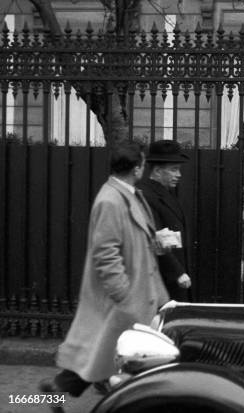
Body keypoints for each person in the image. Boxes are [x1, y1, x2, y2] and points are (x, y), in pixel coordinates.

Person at [39, 140, 169, 404]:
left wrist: (155, 244)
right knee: (116, 351)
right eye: (143, 163)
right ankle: (65, 390)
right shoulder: (111, 200)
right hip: (126, 296)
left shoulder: (127, 194)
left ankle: (65, 388)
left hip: (137, 290)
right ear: (136, 168)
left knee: (105, 351)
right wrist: (123, 294)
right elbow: (105, 252)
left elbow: (129, 239)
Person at [138, 140, 192, 301]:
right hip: (163, 277)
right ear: (158, 170)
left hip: (172, 276)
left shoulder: (164, 193)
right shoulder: (147, 195)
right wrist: (178, 272)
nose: (179, 175)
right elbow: (156, 237)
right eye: (174, 170)